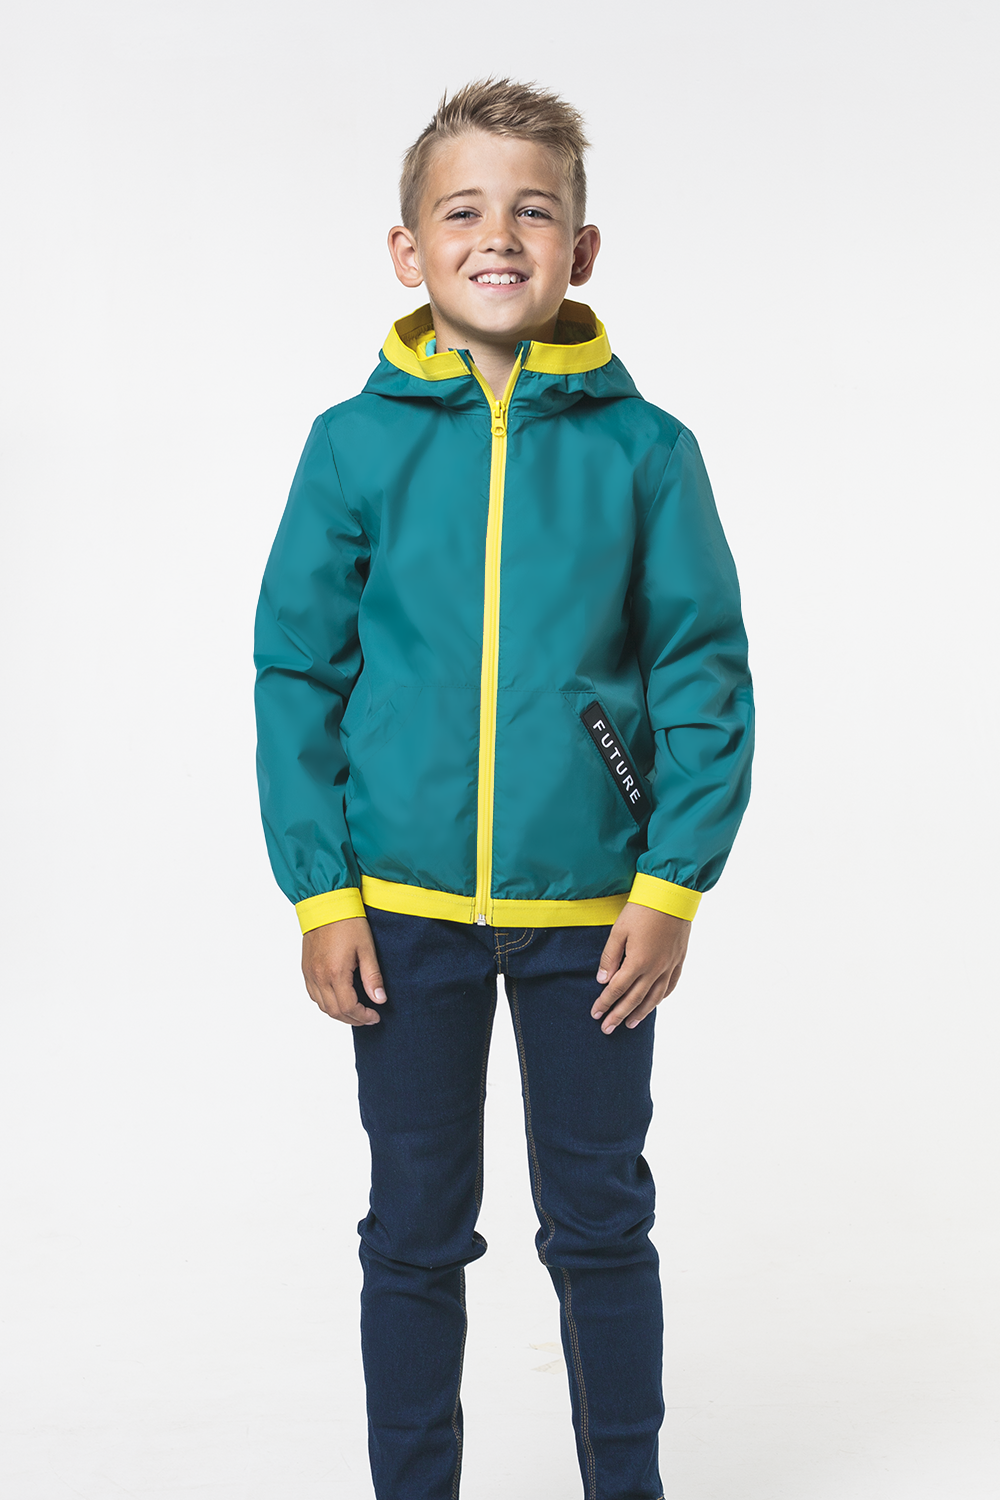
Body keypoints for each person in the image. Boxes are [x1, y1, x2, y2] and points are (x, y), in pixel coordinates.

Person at [254, 77, 754, 1500]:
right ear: (406, 249)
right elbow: (296, 670)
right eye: (462, 209)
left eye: (533, 211)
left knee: (599, 1225)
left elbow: (704, 671)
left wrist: (671, 885)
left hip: (592, 915)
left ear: (580, 251)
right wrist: (321, 891)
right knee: (413, 1229)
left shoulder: (647, 452)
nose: (497, 236)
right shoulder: (352, 444)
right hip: (397, 915)